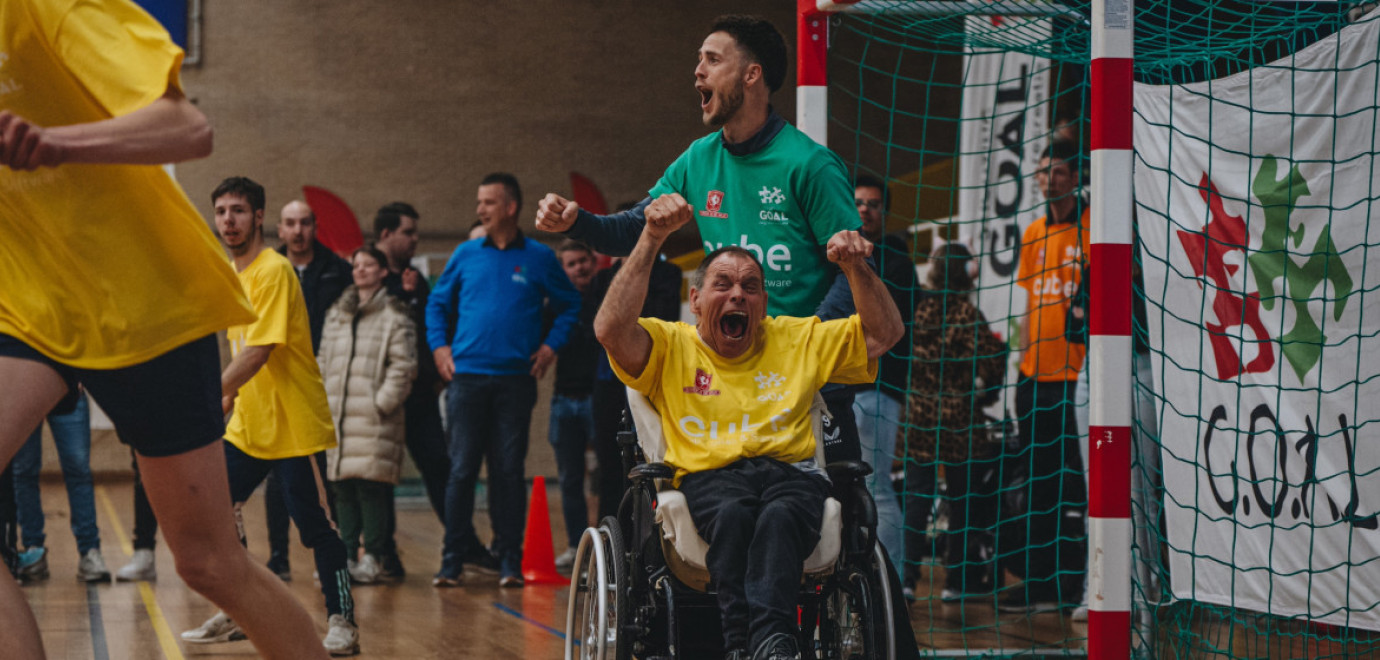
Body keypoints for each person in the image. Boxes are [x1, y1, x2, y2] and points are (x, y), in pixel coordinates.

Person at [0, 2, 330, 657]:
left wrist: (58, 143)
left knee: (209, 563)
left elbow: (188, 127)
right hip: (32, 308)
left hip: (146, 304)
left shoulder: (47, 9)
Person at [533, 15, 866, 461]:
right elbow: (635, 228)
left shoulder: (811, 165)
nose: (698, 71)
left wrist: (809, 353)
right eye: (698, 60)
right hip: (726, 376)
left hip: (804, 381)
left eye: (712, 59)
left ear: (752, 75)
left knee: (830, 516)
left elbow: (854, 272)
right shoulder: (697, 159)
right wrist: (578, 222)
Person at [596, 196, 903, 660]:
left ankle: (763, 645)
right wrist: (651, 237)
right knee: (737, 516)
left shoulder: (796, 337)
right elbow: (610, 330)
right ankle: (752, 645)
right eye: (723, 284)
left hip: (791, 474)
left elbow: (884, 334)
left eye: (751, 286)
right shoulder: (670, 343)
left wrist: (857, 269)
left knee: (779, 517)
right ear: (695, 300)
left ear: (762, 304)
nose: (738, 294)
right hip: (711, 478)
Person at [178, 177, 358, 656]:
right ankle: (240, 612)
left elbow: (259, 350)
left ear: (259, 217)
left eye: (238, 210)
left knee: (316, 526)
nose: (228, 221)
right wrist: (227, 400)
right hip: (247, 426)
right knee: (215, 514)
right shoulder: (232, 273)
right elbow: (238, 348)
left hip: (293, 425)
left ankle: (343, 621)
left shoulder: (274, 270)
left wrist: (208, 393)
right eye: (221, 212)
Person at [426, 173, 581, 587]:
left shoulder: (539, 257)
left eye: (488, 203)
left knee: (508, 470)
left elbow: (570, 305)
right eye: (480, 202)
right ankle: (452, 559)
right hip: (467, 380)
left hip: (515, 382)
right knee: (461, 471)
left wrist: (550, 348)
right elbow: (436, 305)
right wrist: (440, 349)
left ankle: (509, 559)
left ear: (510, 207)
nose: (480, 209)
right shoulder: (465, 254)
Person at [1003, 140, 1090, 613]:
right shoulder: (1034, 232)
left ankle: (1077, 583)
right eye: (1043, 172)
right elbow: (1030, 306)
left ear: (1075, 177)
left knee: (1073, 484)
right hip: (1033, 377)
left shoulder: (1096, 224)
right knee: (1037, 485)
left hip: (1078, 377)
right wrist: (1021, 364)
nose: (1049, 179)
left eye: (1058, 171)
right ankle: (1040, 582)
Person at [900, 243, 1007, 602]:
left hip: (919, 418)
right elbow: (993, 362)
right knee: (962, 503)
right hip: (960, 420)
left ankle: (906, 578)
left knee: (916, 500)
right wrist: (986, 392)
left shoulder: (917, 309)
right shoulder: (967, 314)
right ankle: (956, 583)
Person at [258, 199, 353, 581]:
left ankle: (327, 562)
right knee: (276, 476)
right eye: (290, 224)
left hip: (320, 381)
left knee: (318, 475)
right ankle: (278, 557)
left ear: (314, 227)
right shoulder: (269, 270)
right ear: (280, 230)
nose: (297, 231)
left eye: (304, 223)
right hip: (275, 382)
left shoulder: (338, 271)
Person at [318, 246, 418, 584]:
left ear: (382, 272)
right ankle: (346, 557)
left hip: (375, 417)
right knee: (342, 488)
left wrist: (382, 403)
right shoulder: (338, 313)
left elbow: (403, 365)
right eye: (356, 264)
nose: (360, 270)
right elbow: (323, 358)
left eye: (368, 265)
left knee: (370, 488)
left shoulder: (395, 314)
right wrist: (323, 399)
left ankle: (374, 557)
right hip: (339, 415)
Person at [374, 202, 450, 579]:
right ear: (386, 234)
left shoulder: (415, 277)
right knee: (382, 477)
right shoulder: (367, 274)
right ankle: (385, 555)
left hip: (420, 396)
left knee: (439, 466)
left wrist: (436, 371)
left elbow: (426, 328)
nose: (415, 240)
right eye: (409, 232)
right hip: (384, 398)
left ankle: (459, 545)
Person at [848, 175, 917, 575]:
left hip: (878, 389)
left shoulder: (895, 261)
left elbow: (894, 329)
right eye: (858, 202)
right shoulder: (838, 254)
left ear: (884, 212)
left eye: (873, 204)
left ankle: (894, 579)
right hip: (839, 386)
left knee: (877, 485)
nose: (864, 210)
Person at [10, 391, 110, 582]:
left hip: (67, 390)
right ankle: (33, 551)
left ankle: (90, 551)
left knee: (79, 471)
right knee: (23, 472)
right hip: (25, 392)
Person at [546, 240, 600, 568]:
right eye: (571, 263)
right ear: (563, 269)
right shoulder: (554, 305)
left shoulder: (605, 297)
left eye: (583, 261)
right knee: (569, 477)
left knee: (608, 474)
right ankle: (575, 544)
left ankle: (610, 544)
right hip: (564, 400)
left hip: (599, 399)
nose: (578, 268)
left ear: (593, 263)